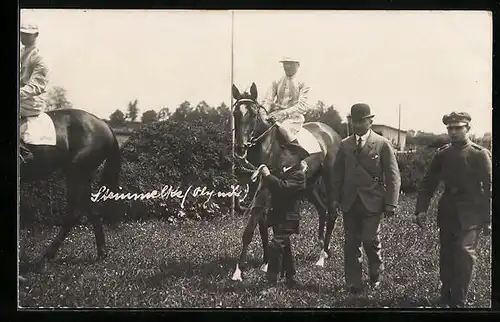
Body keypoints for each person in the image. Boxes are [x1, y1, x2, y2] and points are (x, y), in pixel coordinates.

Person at [414, 112, 491, 308]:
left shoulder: (479, 154)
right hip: (448, 211)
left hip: (471, 213)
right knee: (447, 255)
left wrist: (489, 217)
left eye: (459, 128)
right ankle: (446, 296)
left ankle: (459, 301)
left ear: (468, 129)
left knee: (464, 254)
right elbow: (428, 182)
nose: (454, 132)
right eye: (450, 128)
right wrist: (421, 209)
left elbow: (490, 187)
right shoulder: (443, 154)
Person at [331, 103, 401, 294]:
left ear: (370, 121)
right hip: (350, 201)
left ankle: (375, 276)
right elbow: (337, 175)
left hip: (373, 202)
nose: (358, 124)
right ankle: (354, 283)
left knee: (370, 240)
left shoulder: (382, 143)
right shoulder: (345, 145)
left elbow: (393, 174)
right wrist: (335, 199)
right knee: (351, 243)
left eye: (362, 120)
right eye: (354, 121)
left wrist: (391, 203)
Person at [257, 143, 309, 294]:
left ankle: (272, 283)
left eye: (285, 154)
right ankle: (291, 278)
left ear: (295, 158)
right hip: (279, 216)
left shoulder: (299, 175)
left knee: (275, 246)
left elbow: (282, 188)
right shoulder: (286, 171)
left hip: (288, 218)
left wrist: (267, 176)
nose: (281, 156)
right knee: (285, 247)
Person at [260, 56, 316, 169]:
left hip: (294, 118)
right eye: (285, 63)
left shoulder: (303, 83)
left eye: (290, 63)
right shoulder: (277, 81)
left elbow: (303, 105)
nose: (287, 66)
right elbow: (267, 100)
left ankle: (300, 160)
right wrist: (263, 114)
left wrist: (283, 113)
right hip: (275, 116)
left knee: (284, 129)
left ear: (297, 65)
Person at [19, 23, 48, 162]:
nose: (23, 36)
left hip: (32, 100)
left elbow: (37, 86)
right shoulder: (22, 51)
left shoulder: (39, 57)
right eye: (22, 33)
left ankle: (22, 151)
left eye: (27, 34)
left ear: (36, 35)